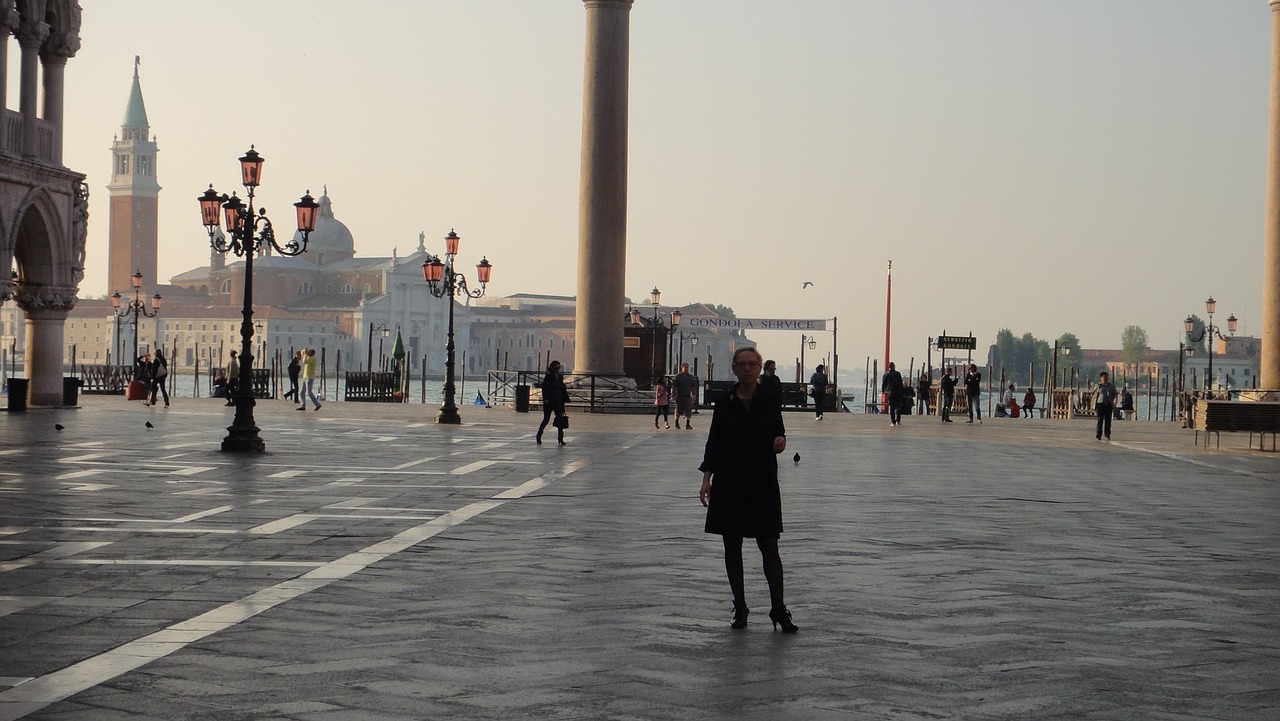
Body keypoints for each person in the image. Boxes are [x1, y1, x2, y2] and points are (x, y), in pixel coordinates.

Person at [697, 347, 796, 633]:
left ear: (760, 367)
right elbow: (713, 442)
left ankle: (778, 608)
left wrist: (781, 443)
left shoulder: (769, 399)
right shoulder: (724, 402)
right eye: (743, 364)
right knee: (732, 546)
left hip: (762, 479)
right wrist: (707, 478)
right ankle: (740, 606)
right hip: (729, 480)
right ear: (734, 368)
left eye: (753, 364)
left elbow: (779, 434)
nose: (748, 369)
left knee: (769, 546)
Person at [535, 359, 567, 445]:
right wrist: (545, 398)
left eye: (559, 368)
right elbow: (544, 388)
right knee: (546, 419)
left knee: (560, 419)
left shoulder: (560, 377)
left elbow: (562, 389)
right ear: (552, 368)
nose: (557, 370)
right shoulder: (548, 377)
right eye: (556, 368)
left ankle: (560, 439)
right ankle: (539, 435)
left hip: (558, 400)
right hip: (549, 401)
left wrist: (563, 399)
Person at [1093, 371, 1117, 441]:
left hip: (1108, 404)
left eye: (1106, 377)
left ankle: (1107, 434)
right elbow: (1094, 395)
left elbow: (1115, 394)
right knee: (1100, 420)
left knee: (1108, 420)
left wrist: (1114, 401)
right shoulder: (1098, 386)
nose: (1105, 379)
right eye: (1104, 377)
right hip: (1099, 404)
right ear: (1101, 378)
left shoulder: (1111, 386)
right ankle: (1098, 434)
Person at [673, 363, 698, 430]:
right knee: (678, 410)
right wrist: (674, 394)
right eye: (685, 367)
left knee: (688, 410)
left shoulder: (690, 377)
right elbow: (675, 386)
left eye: (687, 367)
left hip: (687, 396)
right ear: (682, 368)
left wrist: (694, 394)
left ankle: (687, 424)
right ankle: (676, 422)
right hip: (680, 396)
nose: (686, 369)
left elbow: (693, 387)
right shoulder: (678, 377)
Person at [881, 361, 904, 426]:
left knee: (892, 407)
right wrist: (902, 391)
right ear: (894, 366)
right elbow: (900, 383)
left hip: (891, 392)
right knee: (898, 406)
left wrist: (883, 391)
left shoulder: (886, 374)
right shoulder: (898, 374)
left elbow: (884, 383)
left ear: (888, 367)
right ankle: (898, 420)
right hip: (898, 392)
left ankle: (893, 421)